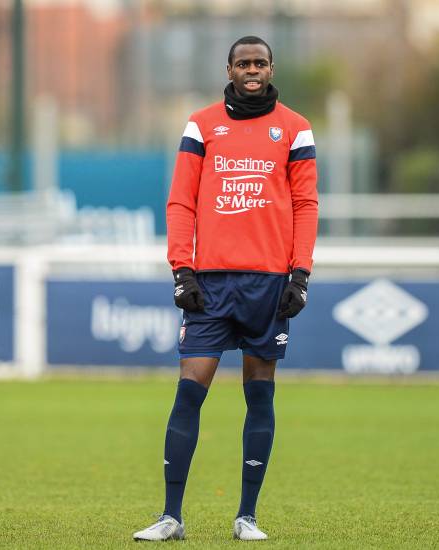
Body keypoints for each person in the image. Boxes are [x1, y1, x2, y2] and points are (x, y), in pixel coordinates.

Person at [132, 35, 318, 542]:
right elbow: (180, 203)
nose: (252, 70)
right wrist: (181, 269)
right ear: (230, 69)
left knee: (260, 396)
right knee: (189, 390)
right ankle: (171, 516)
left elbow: (305, 205)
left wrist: (299, 274)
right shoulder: (202, 124)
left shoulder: (295, 129)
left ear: (271, 67)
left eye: (259, 62)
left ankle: (247, 516)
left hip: (269, 284)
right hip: (210, 283)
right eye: (243, 63)